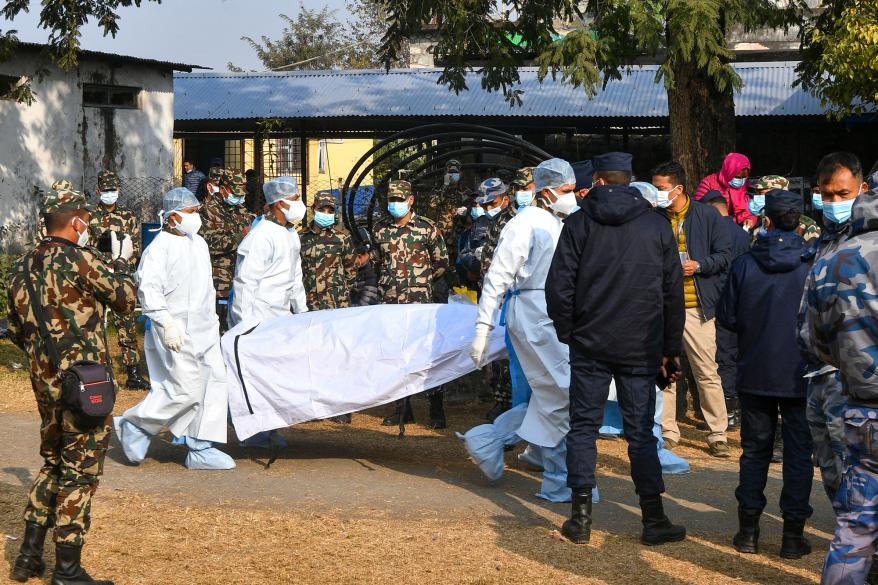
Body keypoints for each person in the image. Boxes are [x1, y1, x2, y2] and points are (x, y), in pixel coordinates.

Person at [546, 152, 686, 546]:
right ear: (628, 179)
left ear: (599, 180)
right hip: (641, 344)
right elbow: (672, 291)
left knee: (583, 427)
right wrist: (669, 348)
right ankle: (653, 519)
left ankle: (580, 517)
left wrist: (570, 331)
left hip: (591, 342)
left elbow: (559, 286)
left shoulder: (579, 223)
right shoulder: (656, 225)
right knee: (641, 433)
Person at [8, 187, 136, 585]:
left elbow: (15, 330)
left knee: (54, 463)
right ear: (77, 221)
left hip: (46, 387)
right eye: (86, 219)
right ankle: (68, 571)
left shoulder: (21, 268)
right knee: (80, 475)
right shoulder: (83, 261)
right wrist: (122, 264)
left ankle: (28, 556)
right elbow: (126, 300)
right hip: (84, 387)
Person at [469, 157, 580, 503]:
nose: (571, 196)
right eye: (566, 190)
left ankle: (496, 443)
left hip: (552, 314)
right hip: (534, 316)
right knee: (562, 393)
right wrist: (483, 328)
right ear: (545, 191)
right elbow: (497, 278)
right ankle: (556, 477)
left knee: (554, 394)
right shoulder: (524, 224)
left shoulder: (556, 222)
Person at [717, 188, 813, 559]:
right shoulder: (811, 263)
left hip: (755, 369)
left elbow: (727, 317)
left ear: (766, 220)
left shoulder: (744, 263)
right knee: (798, 454)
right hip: (800, 373)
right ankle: (792, 536)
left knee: (754, 452)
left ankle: (749, 531)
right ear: (800, 224)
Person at [114, 187, 235, 471]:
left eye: (196, 212)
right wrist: (166, 323)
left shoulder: (199, 244)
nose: (196, 217)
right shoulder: (158, 248)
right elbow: (149, 290)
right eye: (190, 212)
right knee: (184, 388)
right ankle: (135, 425)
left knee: (214, 383)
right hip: (174, 329)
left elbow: (206, 289)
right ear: (172, 217)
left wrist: (212, 324)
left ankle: (200, 446)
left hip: (204, 329)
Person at [800, 171, 876, 585]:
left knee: (855, 526)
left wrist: (851, 365)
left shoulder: (834, 256)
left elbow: (810, 336)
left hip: (859, 405)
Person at [652, 161, 732, 457]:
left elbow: (725, 255)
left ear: (679, 188)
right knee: (667, 368)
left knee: (706, 372)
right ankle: (668, 430)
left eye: (661, 188)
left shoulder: (707, 215)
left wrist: (700, 265)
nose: (658, 193)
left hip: (698, 307)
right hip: (663, 307)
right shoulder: (654, 216)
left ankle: (717, 433)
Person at [374, 180, 449, 428]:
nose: (395, 204)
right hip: (391, 305)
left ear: (411, 199)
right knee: (397, 356)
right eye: (391, 200)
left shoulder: (427, 229)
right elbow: (376, 262)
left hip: (420, 305)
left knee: (427, 355)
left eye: (399, 199)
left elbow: (442, 262)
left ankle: (436, 409)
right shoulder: (381, 230)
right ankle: (402, 409)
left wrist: (422, 282)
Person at [88, 169, 149, 390]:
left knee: (126, 323)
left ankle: (133, 373)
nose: (110, 193)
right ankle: (98, 372)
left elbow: (134, 247)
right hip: (98, 275)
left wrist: (123, 261)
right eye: (106, 190)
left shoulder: (128, 215)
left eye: (113, 190)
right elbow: (86, 247)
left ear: (119, 190)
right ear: (98, 190)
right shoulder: (89, 216)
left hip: (122, 277)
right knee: (95, 323)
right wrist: (105, 258)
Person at [480, 167, 532, 422]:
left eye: (527, 188)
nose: (523, 193)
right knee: (504, 355)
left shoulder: (548, 217)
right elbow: (489, 263)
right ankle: (504, 401)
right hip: (507, 298)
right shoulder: (502, 221)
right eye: (519, 188)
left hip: (537, 300)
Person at [229, 176, 308, 328]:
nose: (300, 204)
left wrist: (302, 312)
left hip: (283, 317)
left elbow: (295, 277)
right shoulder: (261, 236)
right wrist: (244, 326)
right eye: (295, 199)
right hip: (260, 320)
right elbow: (245, 283)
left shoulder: (291, 233)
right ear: (280, 204)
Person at [701, 189, 751, 428]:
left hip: (718, 302)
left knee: (722, 358)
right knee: (735, 354)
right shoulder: (742, 234)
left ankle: (728, 411)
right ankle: (736, 408)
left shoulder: (711, 232)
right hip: (742, 302)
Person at [300, 192, 356, 310]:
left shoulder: (342, 237)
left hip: (337, 302)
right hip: (310, 303)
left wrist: (341, 291)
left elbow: (351, 270)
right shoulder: (301, 237)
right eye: (321, 209)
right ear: (313, 209)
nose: (326, 214)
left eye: (330, 211)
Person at [457, 179, 503, 291]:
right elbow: (465, 252)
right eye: (477, 203)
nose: (487, 208)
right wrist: (475, 265)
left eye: (491, 203)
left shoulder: (514, 221)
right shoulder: (479, 223)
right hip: (482, 284)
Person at [695, 152, 754, 228]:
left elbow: (752, 209)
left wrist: (750, 219)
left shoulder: (746, 186)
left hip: (739, 228)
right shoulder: (709, 183)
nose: (741, 181)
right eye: (737, 177)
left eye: (744, 178)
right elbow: (699, 208)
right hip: (714, 226)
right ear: (729, 172)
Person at [350, 241, 380, 307]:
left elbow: (370, 297)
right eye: (356, 256)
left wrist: (353, 307)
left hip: (364, 310)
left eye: (360, 257)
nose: (358, 260)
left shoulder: (369, 272)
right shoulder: (351, 269)